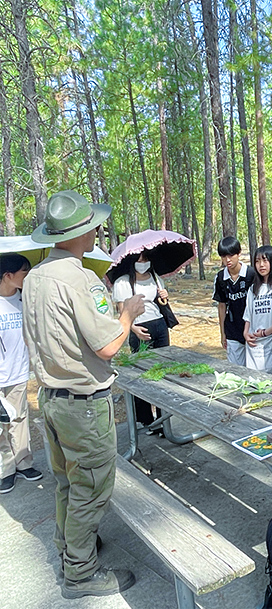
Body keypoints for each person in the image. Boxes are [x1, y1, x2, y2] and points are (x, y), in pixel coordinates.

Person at [22, 190, 145, 599]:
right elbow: (108, 346)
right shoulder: (80, 277)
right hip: (83, 405)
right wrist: (127, 313)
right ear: (81, 231)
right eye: (93, 225)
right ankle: (80, 573)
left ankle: (70, 547)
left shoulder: (36, 276)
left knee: (67, 484)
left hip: (52, 399)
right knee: (91, 489)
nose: (97, 230)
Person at [111, 249, 170, 429]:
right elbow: (123, 312)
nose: (142, 262)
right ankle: (146, 419)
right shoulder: (122, 283)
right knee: (142, 374)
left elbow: (161, 304)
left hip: (159, 326)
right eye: (139, 259)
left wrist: (164, 297)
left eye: (145, 259)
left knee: (163, 372)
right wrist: (134, 329)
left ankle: (164, 420)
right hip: (138, 327)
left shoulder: (155, 277)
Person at [0, 253, 42, 494]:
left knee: (19, 419)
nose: (28, 277)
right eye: (24, 273)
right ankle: (5, 470)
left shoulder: (24, 300)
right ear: (8, 275)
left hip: (17, 372)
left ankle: (24, 463)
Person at [243, 245, 272, 376]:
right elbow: (248, 315)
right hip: (255, 345)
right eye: (257, 261)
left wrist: (267, 332)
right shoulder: (253, 289)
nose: (261, 265)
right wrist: (246, 333)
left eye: (265, 260)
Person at [213, 236, 255, 366]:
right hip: (232, 329)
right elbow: (221, 305)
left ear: (239, 253)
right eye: (224, 256)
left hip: (253, 329)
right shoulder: (221, 277)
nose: (227, 260)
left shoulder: (251, 274)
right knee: (236, 369)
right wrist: (222, 332)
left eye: (231, 255)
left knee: (255, 370)